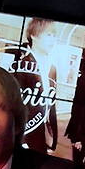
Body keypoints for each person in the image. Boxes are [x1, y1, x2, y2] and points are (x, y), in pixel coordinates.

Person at [10, 18, 58, 153]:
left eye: (54, 36)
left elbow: (51, 105)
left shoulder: (52, 69)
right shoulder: (21, 66)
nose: (52, 40)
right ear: (34, 36)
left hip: (43, 136)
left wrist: (52, 138)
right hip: (25, 136)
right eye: (48, 35)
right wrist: (21, 138)